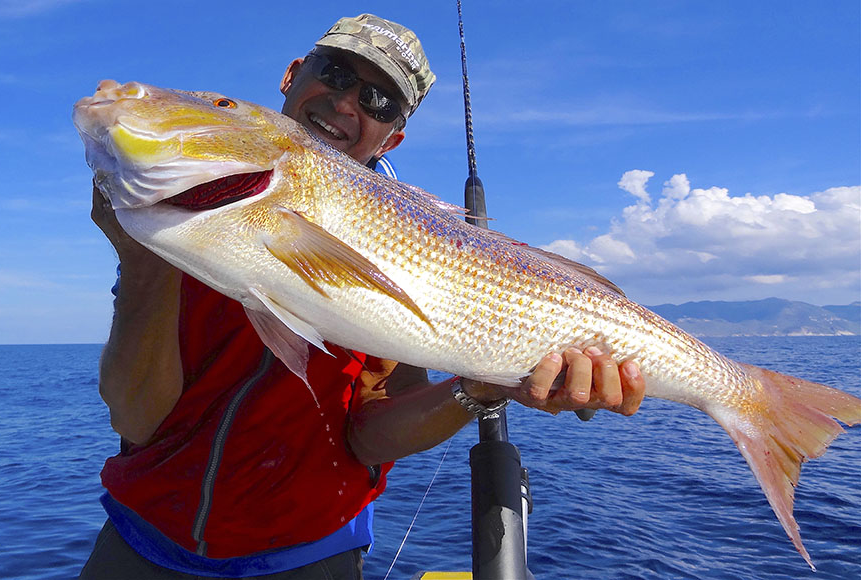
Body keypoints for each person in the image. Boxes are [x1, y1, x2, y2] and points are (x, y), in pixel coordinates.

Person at [80, 14, 645, 580]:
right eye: (333, 72)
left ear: (394, 135)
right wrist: (141, 266)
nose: (347, 103)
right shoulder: (191, 207)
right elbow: (136, 417)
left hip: (310, 554)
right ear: (294, 75)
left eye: (378, 100)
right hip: (142, 538)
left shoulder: (419, 240)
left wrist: (478, 389)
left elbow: (369, 437)